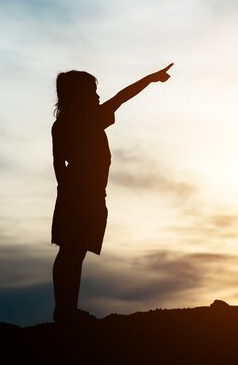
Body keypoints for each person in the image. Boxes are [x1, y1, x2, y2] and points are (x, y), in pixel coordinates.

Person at [50, 63, 173, 324]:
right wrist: (150, 78)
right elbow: (122, 97)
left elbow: (58, 162)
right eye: (92, 92)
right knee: (72, 253)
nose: (97, 96)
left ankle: (66, 309)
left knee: (72, 252)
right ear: (79, 96)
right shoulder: (89, 120)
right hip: (82, 196)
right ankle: (65, 311)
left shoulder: (63, 124)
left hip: (81, 194)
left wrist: (65, 190)